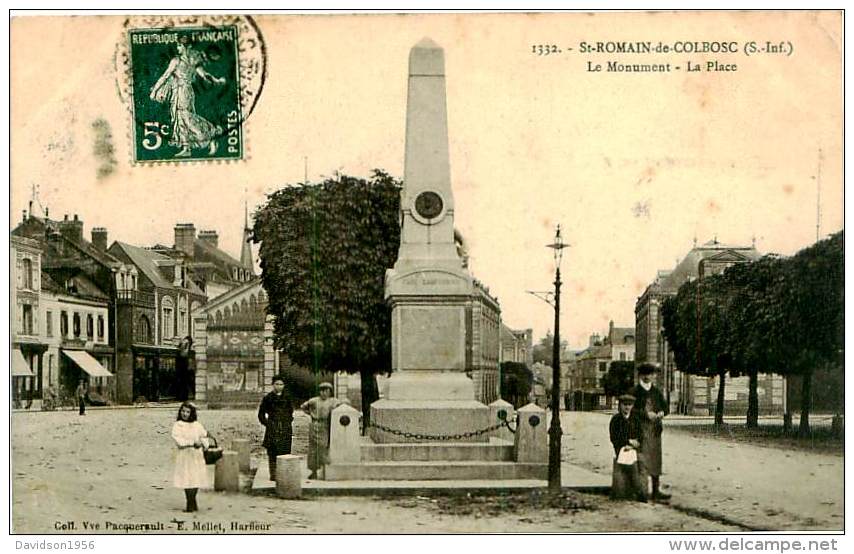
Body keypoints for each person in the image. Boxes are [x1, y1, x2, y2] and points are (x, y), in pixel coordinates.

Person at [149, 40, 225, 157]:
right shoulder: (193, 62)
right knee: (180, 118)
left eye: (179, 45)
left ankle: (211, 134)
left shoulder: (176, 61)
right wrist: (216, 80)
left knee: (186, 117)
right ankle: (187, 148)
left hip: (182, 91)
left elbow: (165, 76)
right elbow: (205, 76)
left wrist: (154, 91)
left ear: (186, 47)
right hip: (185, 91)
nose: (178, 48)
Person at [631, 363, 671, 502]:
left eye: (650, 374)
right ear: (640, 376)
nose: (648, 377)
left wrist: (661, 412)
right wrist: (645, 414)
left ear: (654, 376)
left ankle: (655, 491)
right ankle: (642, 490)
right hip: (641, 430)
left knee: (656, 459)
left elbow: (666, 408)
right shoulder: (634, 392)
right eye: (645, 374)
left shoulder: (656, 391)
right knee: (642, 460)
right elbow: (630, 410)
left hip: (655, 430)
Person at [171, 401, 209, 512]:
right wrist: (192, 443)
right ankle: (189, 502)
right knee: (186, 478)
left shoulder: (197, 425)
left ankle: (193, 500)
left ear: (192, 413)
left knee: (196, 478)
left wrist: (203, 443)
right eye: (183, 411)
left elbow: (204, 436)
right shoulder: (177, 425)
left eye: (187, 412)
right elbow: (179, 441)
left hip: (196, 455)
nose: (185, 414)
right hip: (185, 456)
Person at [609, 394, 647, 502]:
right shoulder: (616, 420)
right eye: (624, 405)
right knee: (632, 464)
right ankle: (639, 493)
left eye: (629, 405)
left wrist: (637, 443)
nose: (627, 407)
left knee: (642, 464)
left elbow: (641, 434)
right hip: (621, 448)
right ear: (620, 405)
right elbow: (614, 437)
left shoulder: (635, 419)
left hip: (634, 448)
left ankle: (642, 490)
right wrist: (628, 442)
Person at [300, 382, 342, 479]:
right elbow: (303, 406)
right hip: (315, 424)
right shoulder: (314, 400)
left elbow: (341, 407)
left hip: (326, 425)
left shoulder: (333, 401)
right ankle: (313, 471)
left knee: (323, 447)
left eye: (326, 391)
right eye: (322, 391)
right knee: (313, 449)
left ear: (330, 392)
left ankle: (325, 470)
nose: (324, 393)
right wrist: (310, 413)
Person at [257, 374, 295, 481]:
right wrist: (268, 424)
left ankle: (284, 473)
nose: (279, 386)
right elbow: (261, 414)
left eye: (281, 384)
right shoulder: (268, 398)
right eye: (277, 384)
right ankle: (273, 474)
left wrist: (288, 422)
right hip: (272, 428)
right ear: (273, 385)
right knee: (272, 452)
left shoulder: (287, 398)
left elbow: (290, 411)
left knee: (285, 450)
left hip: (285, 428)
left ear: (284, 385)